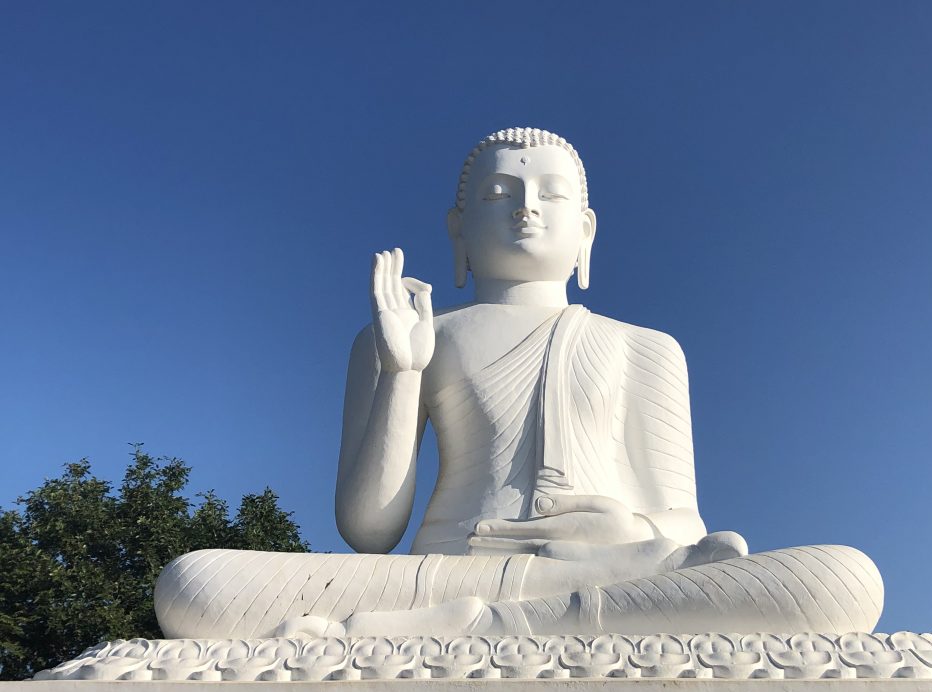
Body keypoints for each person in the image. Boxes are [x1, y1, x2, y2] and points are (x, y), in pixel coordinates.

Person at [155, 128, 882, 640]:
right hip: (444, 575)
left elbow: (686, 530)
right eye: (500, 193)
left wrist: (629, 535)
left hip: (613, 568)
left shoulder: (645, 348)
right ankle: (514, 617)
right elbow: (369, 531)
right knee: (195, 585)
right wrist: (402, 371)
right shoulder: (402, 337)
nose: (525, 207)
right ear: (458, 231)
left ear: (586, 230)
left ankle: (463, 628)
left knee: (844, 580)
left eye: (549, 195)